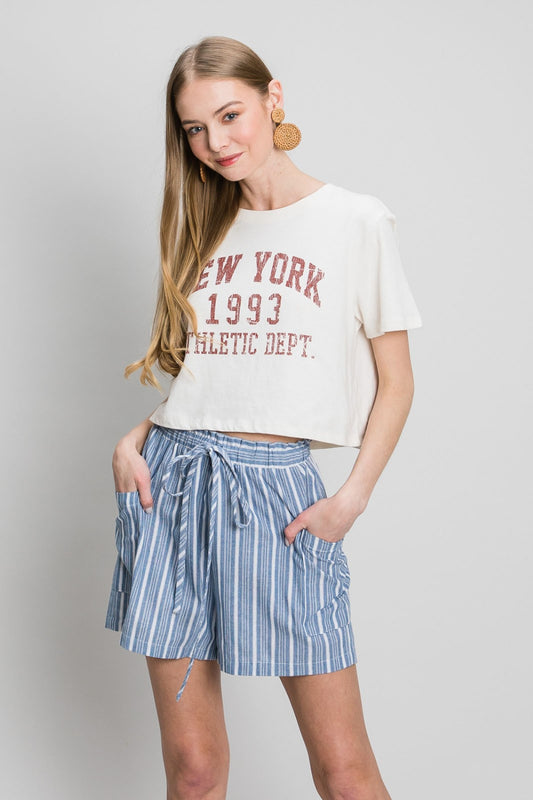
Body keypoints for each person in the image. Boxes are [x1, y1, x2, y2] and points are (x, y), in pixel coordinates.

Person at [105, 34, 422, 800]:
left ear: (272, 99)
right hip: (172, 487)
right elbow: (211, 375)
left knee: (344, 774)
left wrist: (349, 498)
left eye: (230, 115)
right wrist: (136, 435)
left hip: (277, 497)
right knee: (195, 771)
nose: (215, 143)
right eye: (193, 128)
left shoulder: (355, 221)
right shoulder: (197, 229)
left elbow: (396, 383)